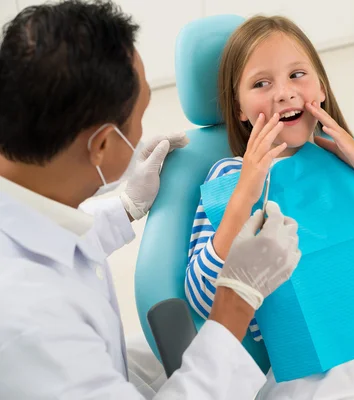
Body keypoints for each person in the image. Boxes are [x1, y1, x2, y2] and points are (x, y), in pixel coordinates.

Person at [0, 2, 300, 399]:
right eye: (142, 113)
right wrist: (237, 299)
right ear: (103, 144)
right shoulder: (32, 321)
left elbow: (51, 242)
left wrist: (127, 205)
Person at [185, 15, 354, 400]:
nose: (283, 93)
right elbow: (202, 299)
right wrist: (244, 194)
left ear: (322, 87)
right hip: (305, 385)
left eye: (297, 75)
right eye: (262, 83)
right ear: (240, 108)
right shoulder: (229, 178)